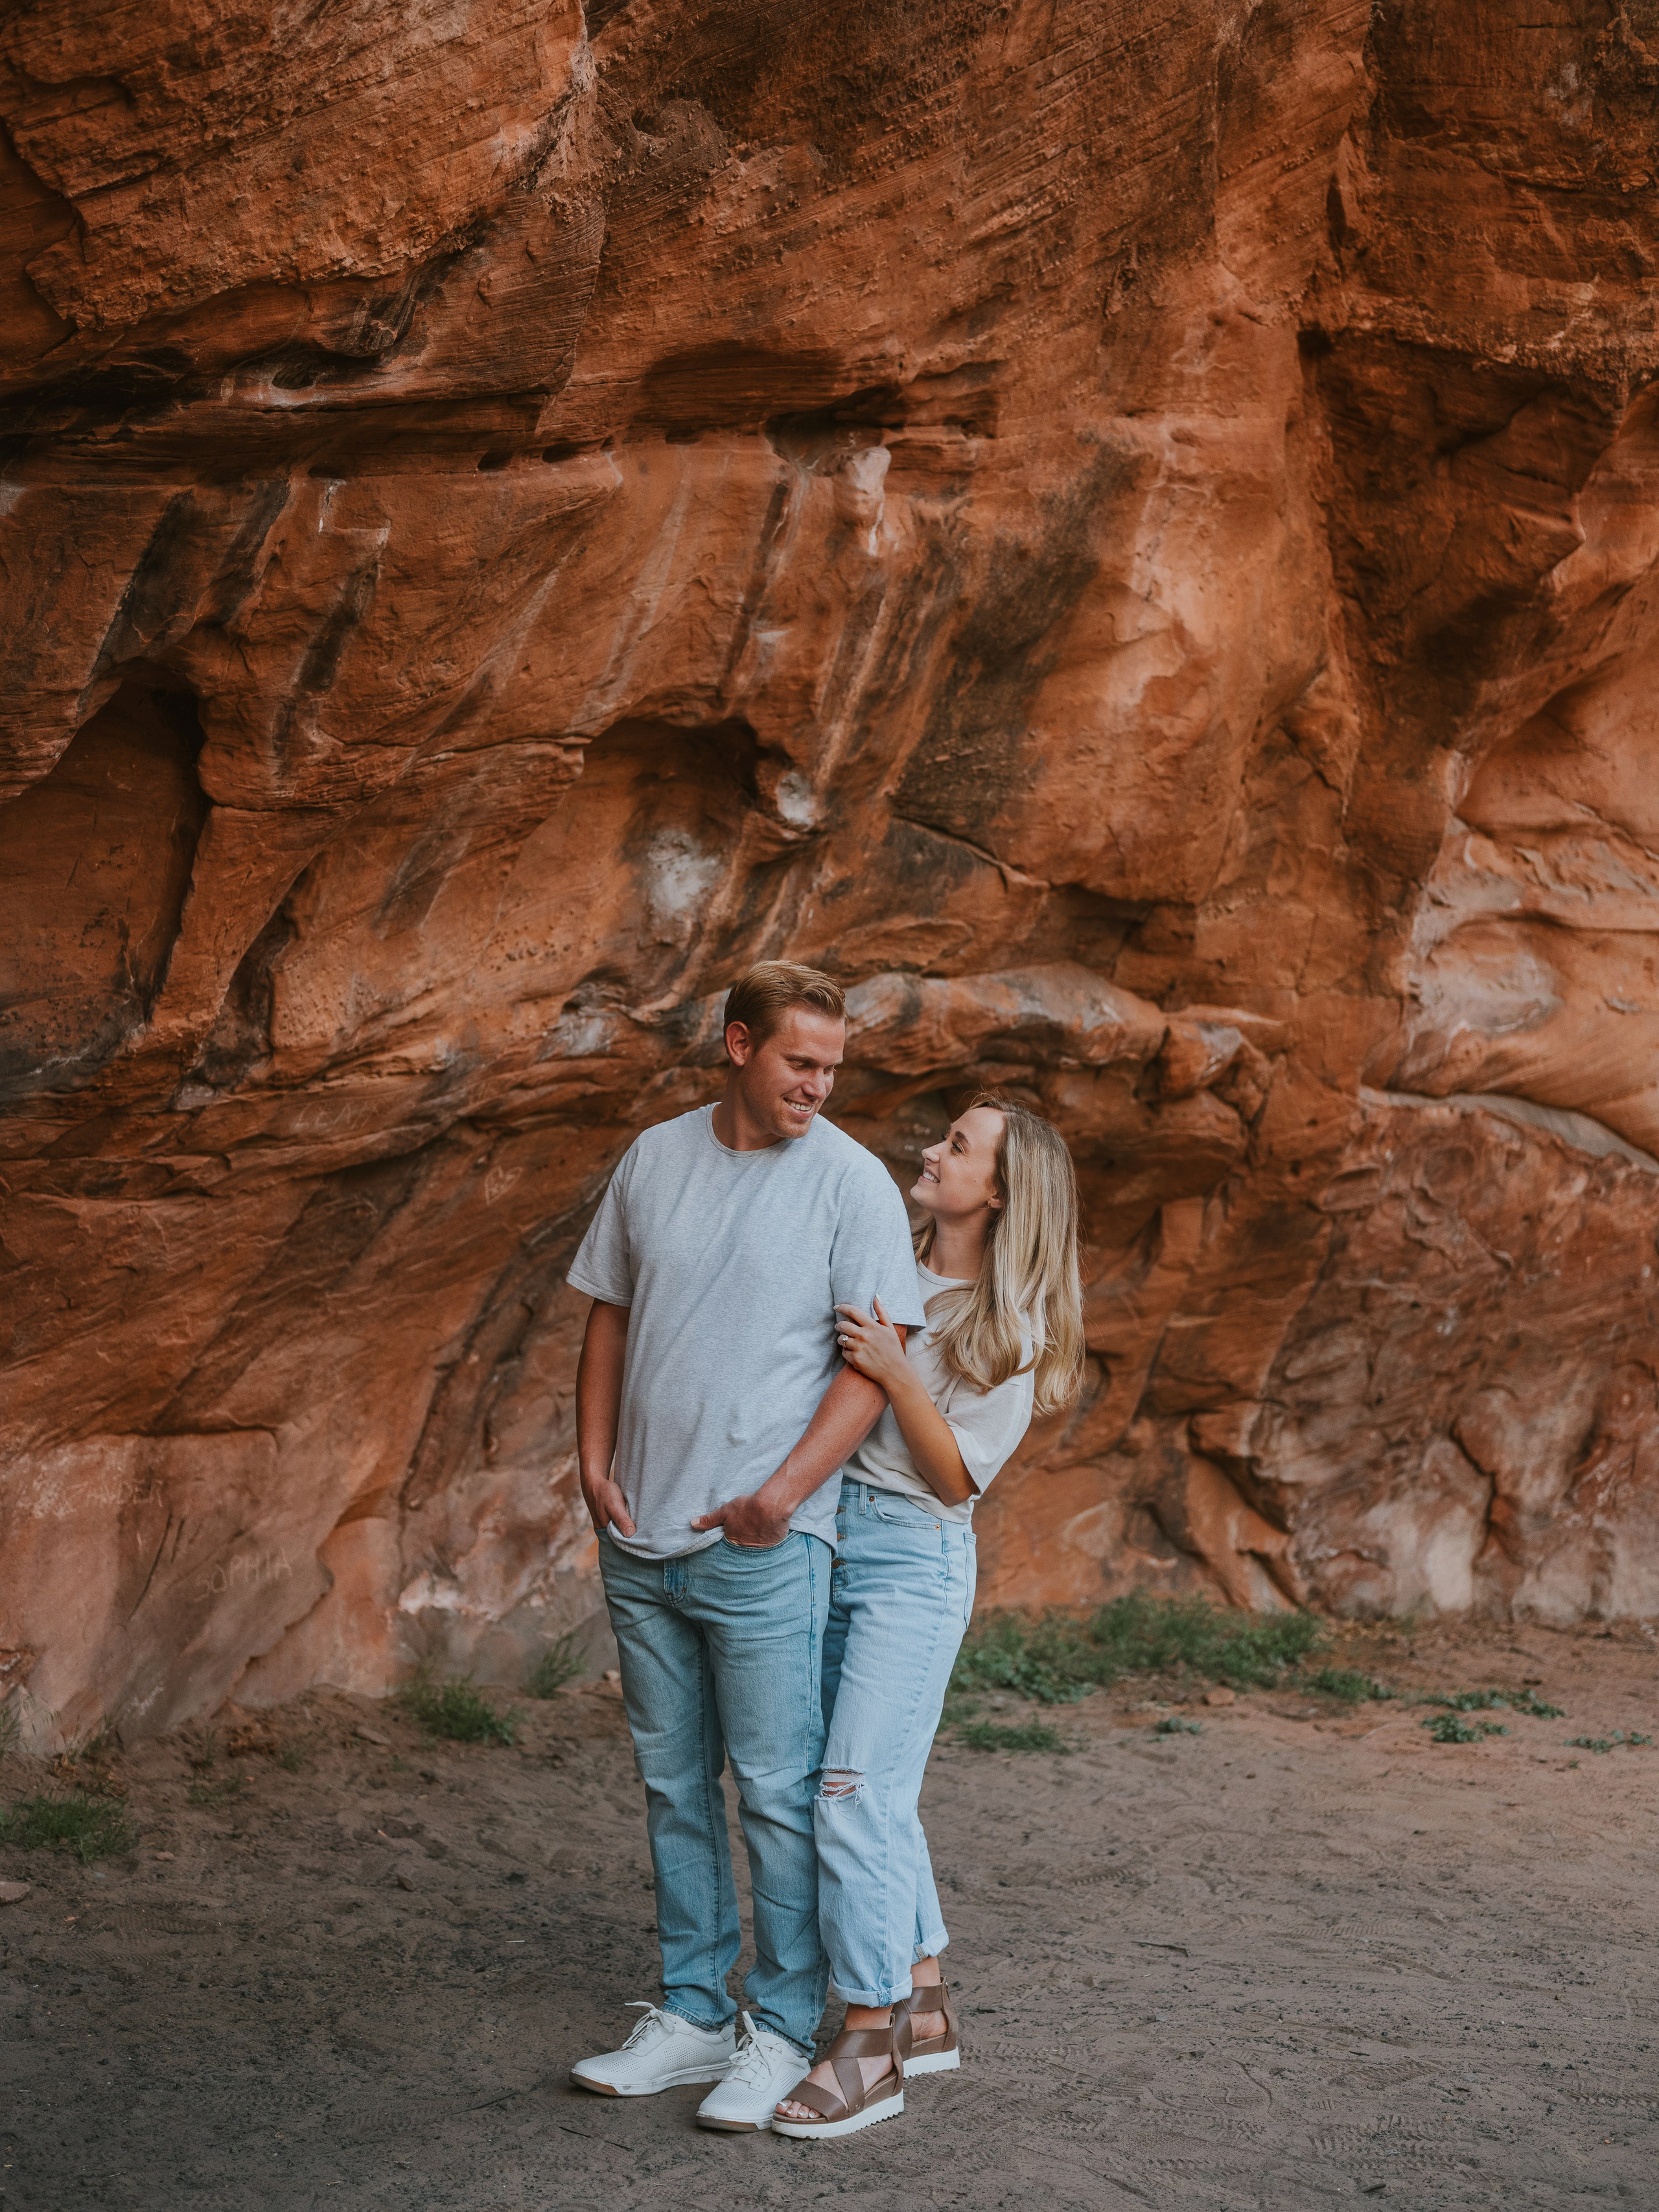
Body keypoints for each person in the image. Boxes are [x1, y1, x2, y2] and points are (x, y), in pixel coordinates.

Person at [564, 960, 925, 2131]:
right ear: (736, 1045)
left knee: (774, 1795)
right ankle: (690, 2014)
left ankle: (776, 2030)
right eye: (799, 1062)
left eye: (832, 1067)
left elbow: (874, 1377)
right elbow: (609, 1310)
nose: (818, 1085)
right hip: (642, 1533)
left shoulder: (855, 1186)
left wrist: (780, 1498)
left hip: (767, 1546)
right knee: (673, 1786)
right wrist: (592, 1457)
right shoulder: (656, 1157)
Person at [772, 1095, 1085, 2139]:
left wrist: (900, 1369)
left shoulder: (1012, 1322)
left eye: (957, 1146)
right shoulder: (891, 1258)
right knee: (876, 1785)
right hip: (834, 1540)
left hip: (915, 1560)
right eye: (944, 1136)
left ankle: (871, 2046)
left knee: (852, 1790)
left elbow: (955, 1478)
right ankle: (928, 1995)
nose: (931, 1150)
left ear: (999, 1190)